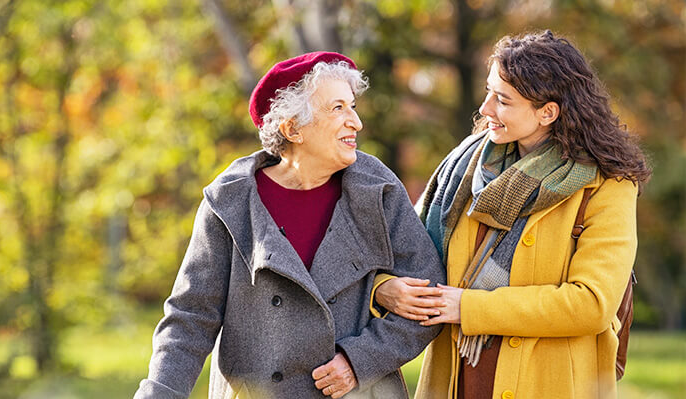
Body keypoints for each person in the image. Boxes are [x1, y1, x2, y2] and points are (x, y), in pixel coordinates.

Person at [133, 51, 445, 399]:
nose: (355, 122)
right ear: (292, 128)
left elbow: (428, 296)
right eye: (337, 108)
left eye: (352, 106)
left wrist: (360, 360)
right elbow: (190, 318)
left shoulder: (377, 189)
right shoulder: (230, 202)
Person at [371, 30, 650, 398]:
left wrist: (470, 307)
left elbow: (591, 304)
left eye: (502, 100)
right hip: (456, 379)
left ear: (547, 112)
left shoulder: (606, 185)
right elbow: (401, 253)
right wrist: (383, 289)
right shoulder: (464, 169)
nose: (485, 109)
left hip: (549, 384)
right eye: (489, 92)